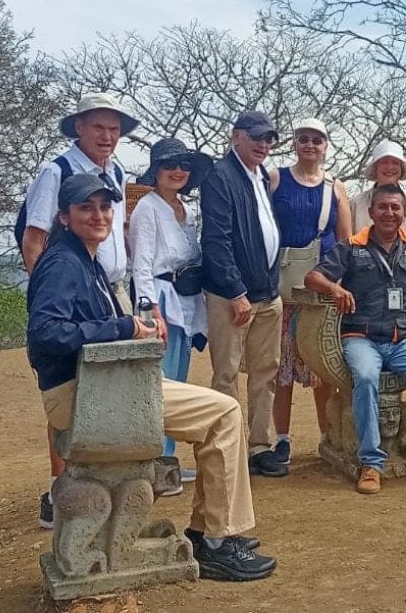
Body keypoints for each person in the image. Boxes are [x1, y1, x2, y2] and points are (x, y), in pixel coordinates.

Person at [28, 174, 277, 581]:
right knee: (224, 413)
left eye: (105, 207)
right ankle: (214, 540)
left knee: (221, 411)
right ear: (63, 216)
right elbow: (45, 334)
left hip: (103, 386)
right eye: (85, 208)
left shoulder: (82, 258)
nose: (98, 215)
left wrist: (131, 327)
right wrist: (122, 328)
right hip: (82, 394)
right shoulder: (62, 263)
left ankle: (210, 531)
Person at [24, 93, 148, 527]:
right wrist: (53, 287)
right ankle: (62, 491)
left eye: (114, 129)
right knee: (73, 381)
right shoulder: (56, 172)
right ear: (79, 127)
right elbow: (35, 239)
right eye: (99, 127)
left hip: (108, 284)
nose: (107, 136)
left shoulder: (113, 171)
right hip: (71, 289)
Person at [305, 184, 406, 494]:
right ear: (371, 212)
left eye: (396, 207)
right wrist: (335, 289)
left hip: (404, 338)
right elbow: (313, 277)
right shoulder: (352, 246)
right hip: (361, 336)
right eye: (383, 207)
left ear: (404, 212)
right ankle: (371, 462)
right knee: (365, 377)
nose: (389, 213)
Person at [200, 111, 287, 478]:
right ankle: (228, 447)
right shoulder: (220, 176)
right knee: (227, 374)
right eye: (256, 137)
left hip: (268, 292)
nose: (263, 144)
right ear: (236, 136)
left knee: (266, 372)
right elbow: (216, 241)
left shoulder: (261, 175)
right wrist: (236, 291)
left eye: (268, 139)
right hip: (232, 295)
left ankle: (260, 446)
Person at [129, 137, 213, 483]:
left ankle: (167, 458)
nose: (178, 171)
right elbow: (142, 265)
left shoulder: (188, 211)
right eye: (170, 165)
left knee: (176, 379)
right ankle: (152, 459)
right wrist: (150, 312)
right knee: (157, 382)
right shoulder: (147, 209)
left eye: (184, 166)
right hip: (160, 299)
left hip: (186, 298)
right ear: (157, 171)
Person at [269, 118, 352, 465]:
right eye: (303, 139)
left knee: (322, 369)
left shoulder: (336, 187)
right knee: (281, 368)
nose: (310, 145)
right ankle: (282, 439)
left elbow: (346, 240)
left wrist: (339, 283)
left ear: (325, 146)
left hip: (321, 287)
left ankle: (325, 435)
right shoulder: (275, 179)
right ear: (293, 143)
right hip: (284, 285)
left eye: (317, 140)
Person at [350, 139, 406, 233]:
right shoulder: (355, 205)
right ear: (375, 168)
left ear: (401, 169)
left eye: (395, 162)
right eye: (384, 162)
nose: (390, 167)